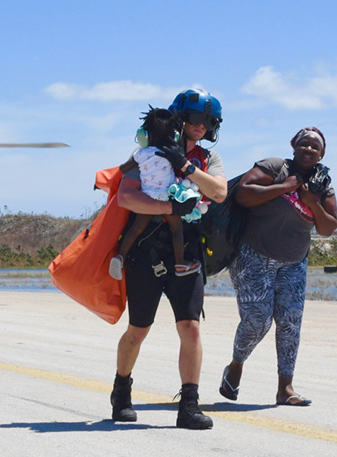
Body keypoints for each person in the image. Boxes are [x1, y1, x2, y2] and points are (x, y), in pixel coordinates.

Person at [110, 89, 227, 429]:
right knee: (138, 329)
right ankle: (121, 390)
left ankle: (189, 405)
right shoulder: (148, 151)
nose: (200, 126)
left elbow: (218, 192)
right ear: (179, 118)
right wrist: (170, 207)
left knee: (190, 327)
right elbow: (126, 197)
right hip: (147, 248)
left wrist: (185, 165)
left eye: (208, 121)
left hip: (187, 250)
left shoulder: (209, 159)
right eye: (194, 118)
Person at [219, 127, 337, 407]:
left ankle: (285, 388)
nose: (309, 150)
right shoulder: (276, 167)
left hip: (294, 261)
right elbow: (244, 194)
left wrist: (312, 203)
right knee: (258, 320)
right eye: (304, 144)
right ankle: (235, 366)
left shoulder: (323, 184)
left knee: (290, 323)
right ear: (293, 145)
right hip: (253, 256)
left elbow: (328, 227)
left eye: (315, 147)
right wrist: (285, 187)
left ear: (322, 153)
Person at [109, 107, 201, 281]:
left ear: (144, 135)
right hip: (167, 197)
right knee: (177, 229)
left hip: (147, 199)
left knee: (136, 229)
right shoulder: (172, 151)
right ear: (174, 135)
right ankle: (180, 263)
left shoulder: (140, 153)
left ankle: (120, 256)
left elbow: (122, 169)